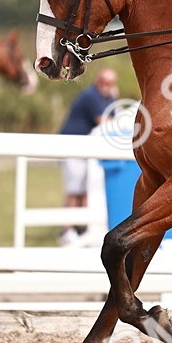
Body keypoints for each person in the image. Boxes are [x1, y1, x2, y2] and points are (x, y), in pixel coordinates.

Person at [58, 68, 119, 245]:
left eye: (110, 83)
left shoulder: (107, 98)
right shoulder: (92, 96)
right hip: (72, 145)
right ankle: (66, 229)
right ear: (98, 81)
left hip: (85, 148)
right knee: (74, 190)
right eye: (103, 82)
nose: (106, 86)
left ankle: (83, 228)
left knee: (85, 190)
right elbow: (105, 121)